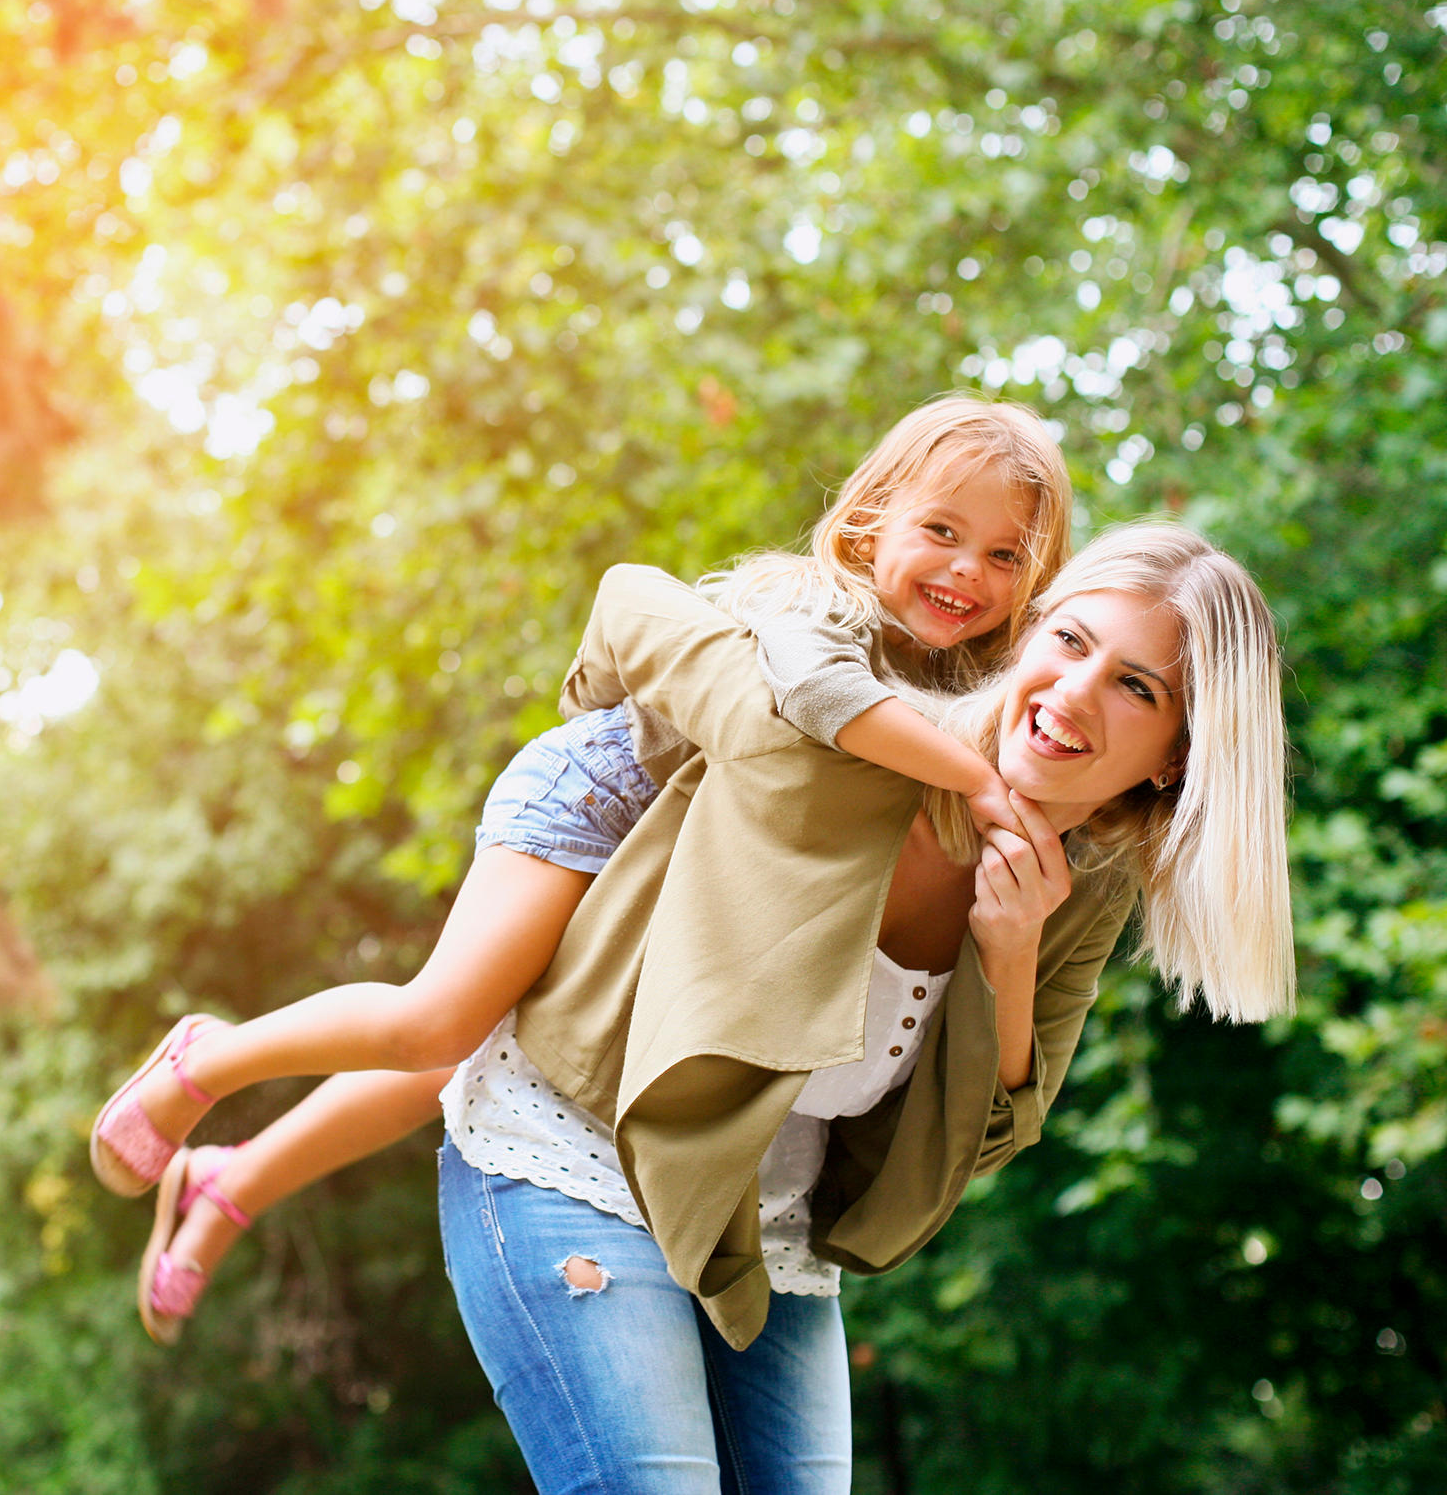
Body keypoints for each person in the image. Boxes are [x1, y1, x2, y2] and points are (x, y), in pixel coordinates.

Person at [86, 395, 1074, 1342]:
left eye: (1001, 555)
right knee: (443, 1019)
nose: (965, 570)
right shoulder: (815, 606)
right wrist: (977, 782)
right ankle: (202, 1059)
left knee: (472, 1058)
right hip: (607, 797)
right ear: (866, 525)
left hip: (687, 863)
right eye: (940, 531)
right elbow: (814, 699)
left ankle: (232, 1179)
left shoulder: (979, 688)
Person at [433, 521, 1294, 1492]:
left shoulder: (1081, 889)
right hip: (579, 1149)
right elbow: (636, 608)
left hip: (767, 1239)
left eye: (1136, 686)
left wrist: (1008, 958)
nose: (1073, 691)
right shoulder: (858, 729)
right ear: (1029, 634)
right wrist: (584, 753)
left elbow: (991, 1136)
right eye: (1068, 640)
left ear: (1175, 755)